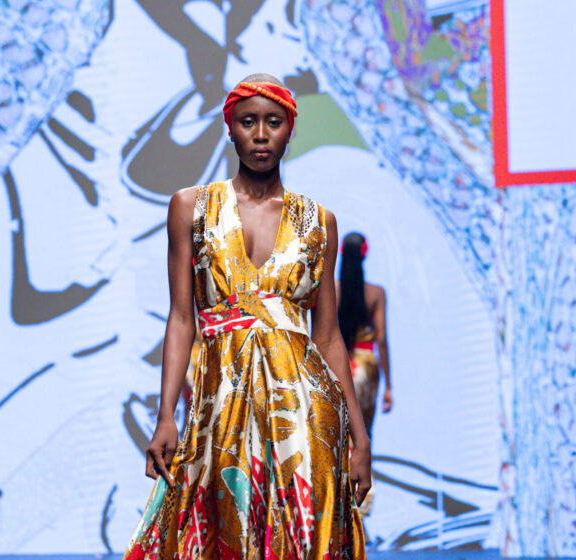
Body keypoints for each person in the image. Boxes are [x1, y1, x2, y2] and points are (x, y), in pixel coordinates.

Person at [123, 74, 370, 558]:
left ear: (290, 129)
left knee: (305, 543)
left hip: (305, 414)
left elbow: (327, 338)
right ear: (230, 128)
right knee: (218, 538)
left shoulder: (319, 222)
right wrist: (165, 415)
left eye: (273, 122)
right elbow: (181, 319)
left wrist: (359, 440)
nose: (260, 134)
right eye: (248, 122)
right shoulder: (190, 208)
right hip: (219, 410)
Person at [336, 232, 392, 517]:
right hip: (367, 368)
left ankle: (338, 502)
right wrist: (389, 385)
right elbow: (381, 338)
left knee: (339, 436)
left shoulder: (331, 291)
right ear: (365, 254)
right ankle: (362, 503)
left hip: (339, 366)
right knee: (363, 435)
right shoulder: (376, 293)